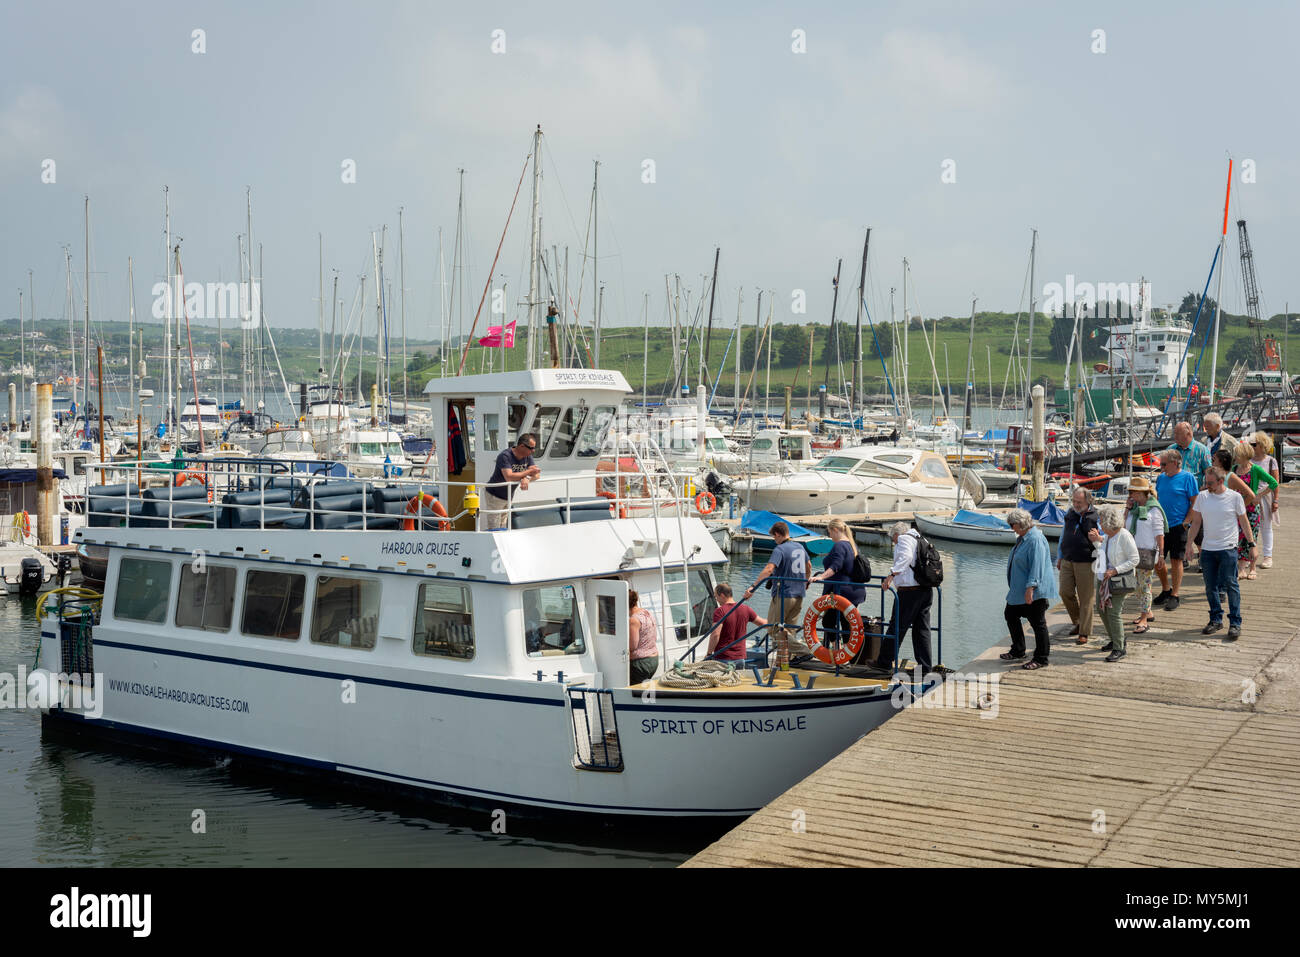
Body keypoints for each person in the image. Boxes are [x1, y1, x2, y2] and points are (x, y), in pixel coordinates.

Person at [1184, 466, 1257, 640]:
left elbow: (1244, 522)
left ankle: (1235, 623)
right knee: (1210, 587)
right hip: (1208, 549)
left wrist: (1252, 544)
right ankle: (1216, 619)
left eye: (1210, 483)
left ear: (1220, 481)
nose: (1206, 486)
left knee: (1231, 585)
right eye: (1205, 482)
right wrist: (1188, 545)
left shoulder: (1235, 497)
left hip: (1228, 548)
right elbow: (1196, 523)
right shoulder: (1202, 497)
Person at [743, 521, 811, 667]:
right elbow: (808, 565)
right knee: (789, 631)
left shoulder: (780, 549)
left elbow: (769, 569)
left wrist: (753, 588)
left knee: (774, 629)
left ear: (778, 534)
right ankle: (786, 663)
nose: (775, 541)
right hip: (799, 594)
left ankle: (804, 651)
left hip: (784, 594)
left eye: (774, 538)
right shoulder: (800, 547)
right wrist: (805, 582)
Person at [1000, 508, 1059, 670]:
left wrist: (1031, 588)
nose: (1011, 528)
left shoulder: (1035, 539)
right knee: (1010, 614)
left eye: (1012, 525)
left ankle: (1041, 658)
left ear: (1020, 524)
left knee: (1038, 623)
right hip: (1018, 590)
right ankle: (1018, 650)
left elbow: (1037, 565)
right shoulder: (1023, 537)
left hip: (1033, 590)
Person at [873, 521, 935, 674]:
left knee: (896, 627)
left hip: (909, 592)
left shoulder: (904, 539)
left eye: (893, 539)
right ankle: (925, 667)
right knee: (922, 630)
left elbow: (906, 557)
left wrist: (891, 575)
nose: (894, 543)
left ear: (896, 534)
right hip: (925, 591)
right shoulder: (921, 539)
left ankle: (884, 662)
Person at [1088, 506, 1139, 661]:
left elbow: (1134, 559)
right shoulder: (1108, 536)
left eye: (1101, 521)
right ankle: (1116, 639)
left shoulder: (1124, 536)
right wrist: (1096, 541)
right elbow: (1103, 554)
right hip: (1104, 579)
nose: (1099, 525)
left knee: (1114, 613)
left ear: (1109, 523)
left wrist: (1116, 570)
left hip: (1118, 580)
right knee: (1102, 611)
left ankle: (1119, 647)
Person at [809, 518, 867, 651]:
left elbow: (836, 566)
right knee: (845, 622)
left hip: (842, 591)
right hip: (854, 590)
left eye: (829, 532)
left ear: (835, 530)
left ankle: (839, 649)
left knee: (828, 621)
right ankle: (846, 653)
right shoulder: (852, 545)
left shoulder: (839, 545)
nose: (829, 536)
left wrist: (821, 577)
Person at [1153, 449, 1199, 611]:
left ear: (1174, 463)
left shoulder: (1188, 478)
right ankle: (1166, 589)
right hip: (1161, 525)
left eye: (1164, 464)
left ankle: (1175, 594)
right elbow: (1157, 499)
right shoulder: (1161, 478)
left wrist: (1186, 522)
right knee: (1157, 561)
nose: (1161, 467)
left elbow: (1195, 501)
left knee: (1176, 560)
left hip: (1178, 525)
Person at [1057, 485, 1100, 644]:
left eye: (1079, 502)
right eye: (1074, 501)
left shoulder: (1095, 517)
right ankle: (1078, 621)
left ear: (1088, 501)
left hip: (1086, 561)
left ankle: (1084, 632)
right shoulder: (1070, 514)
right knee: (1064, 592)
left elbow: (1104, 537)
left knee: (1086, 598)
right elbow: (1063, 535)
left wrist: (1098, 538)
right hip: (1068, 559)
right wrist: (1060, 557)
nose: (1075, 504)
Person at [1123, 476, 1165, 634]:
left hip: (1147, 553)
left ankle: (1144, 618)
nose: (1130, 495)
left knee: (1144, 586)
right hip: (1132, 552)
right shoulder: (1133, 509)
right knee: (1136, 586)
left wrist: (1161, 555)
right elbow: (1123, 527)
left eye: (1132, 492)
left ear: (1142, 493)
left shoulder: (1154, 509)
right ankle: (1148, 612)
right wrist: (1127, 508)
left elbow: (1160, 534)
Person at [1232, 440, 1278, 580]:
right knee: (1239, 538)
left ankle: (1252, 568)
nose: (1235, 457)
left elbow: (1274, 482)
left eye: (1237, 455)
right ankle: (1241, 568)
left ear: (1244, 455)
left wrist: (1259, 495)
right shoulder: (1234, 469)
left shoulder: (1255, 469)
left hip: (1251, 509)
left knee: (1251, 538)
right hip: (1237, 509)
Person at [484, 433, 541, 530]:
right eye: (531, 448)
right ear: (522, 446)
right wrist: (528, 472)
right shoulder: (505, 456)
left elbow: (537, 474)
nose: (533, 451)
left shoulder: (527, 456)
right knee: (494, 527)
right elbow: (509, 477)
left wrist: (527, 478)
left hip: (508, 495)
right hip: (494, 495)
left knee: (503, 525)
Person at [708, 583, 766, 663]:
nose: (716, 599)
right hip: (740, 658)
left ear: (722, 595)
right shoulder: (746, 609)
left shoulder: (720, 611)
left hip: (723, 658)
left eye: (716, 597)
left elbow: (715, 634)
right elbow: (764, 624)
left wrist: (709, 653)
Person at [1251, 431, 1281, 568]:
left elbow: (1275, 481)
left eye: (1255, 444)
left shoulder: (1271, 461)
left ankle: (1268, 556)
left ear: (1262, 445)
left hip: (1266, 496)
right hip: (1250, 496)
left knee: (1266, 527)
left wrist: (1276, 500)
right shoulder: (1249, 460)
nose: (1252, 446)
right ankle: (1249, 556)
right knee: (1250, 527)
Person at [627, 590, 659, 683]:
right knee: (645, 691)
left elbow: (632, 646)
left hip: (641, 663)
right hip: (653, 659)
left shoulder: (634, 620)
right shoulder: (646, 613)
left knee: (636, 692)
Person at [1168, 421, 1211, 486]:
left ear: (1188, 434)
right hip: (1173, 490)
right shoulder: (1170, 449)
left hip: (1194, 492)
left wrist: (1205, 487)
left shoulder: (1202, 450)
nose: (1175, 436)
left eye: (1178, 434)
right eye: (1174, 433)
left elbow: (1209, 472)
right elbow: (1164, 469)